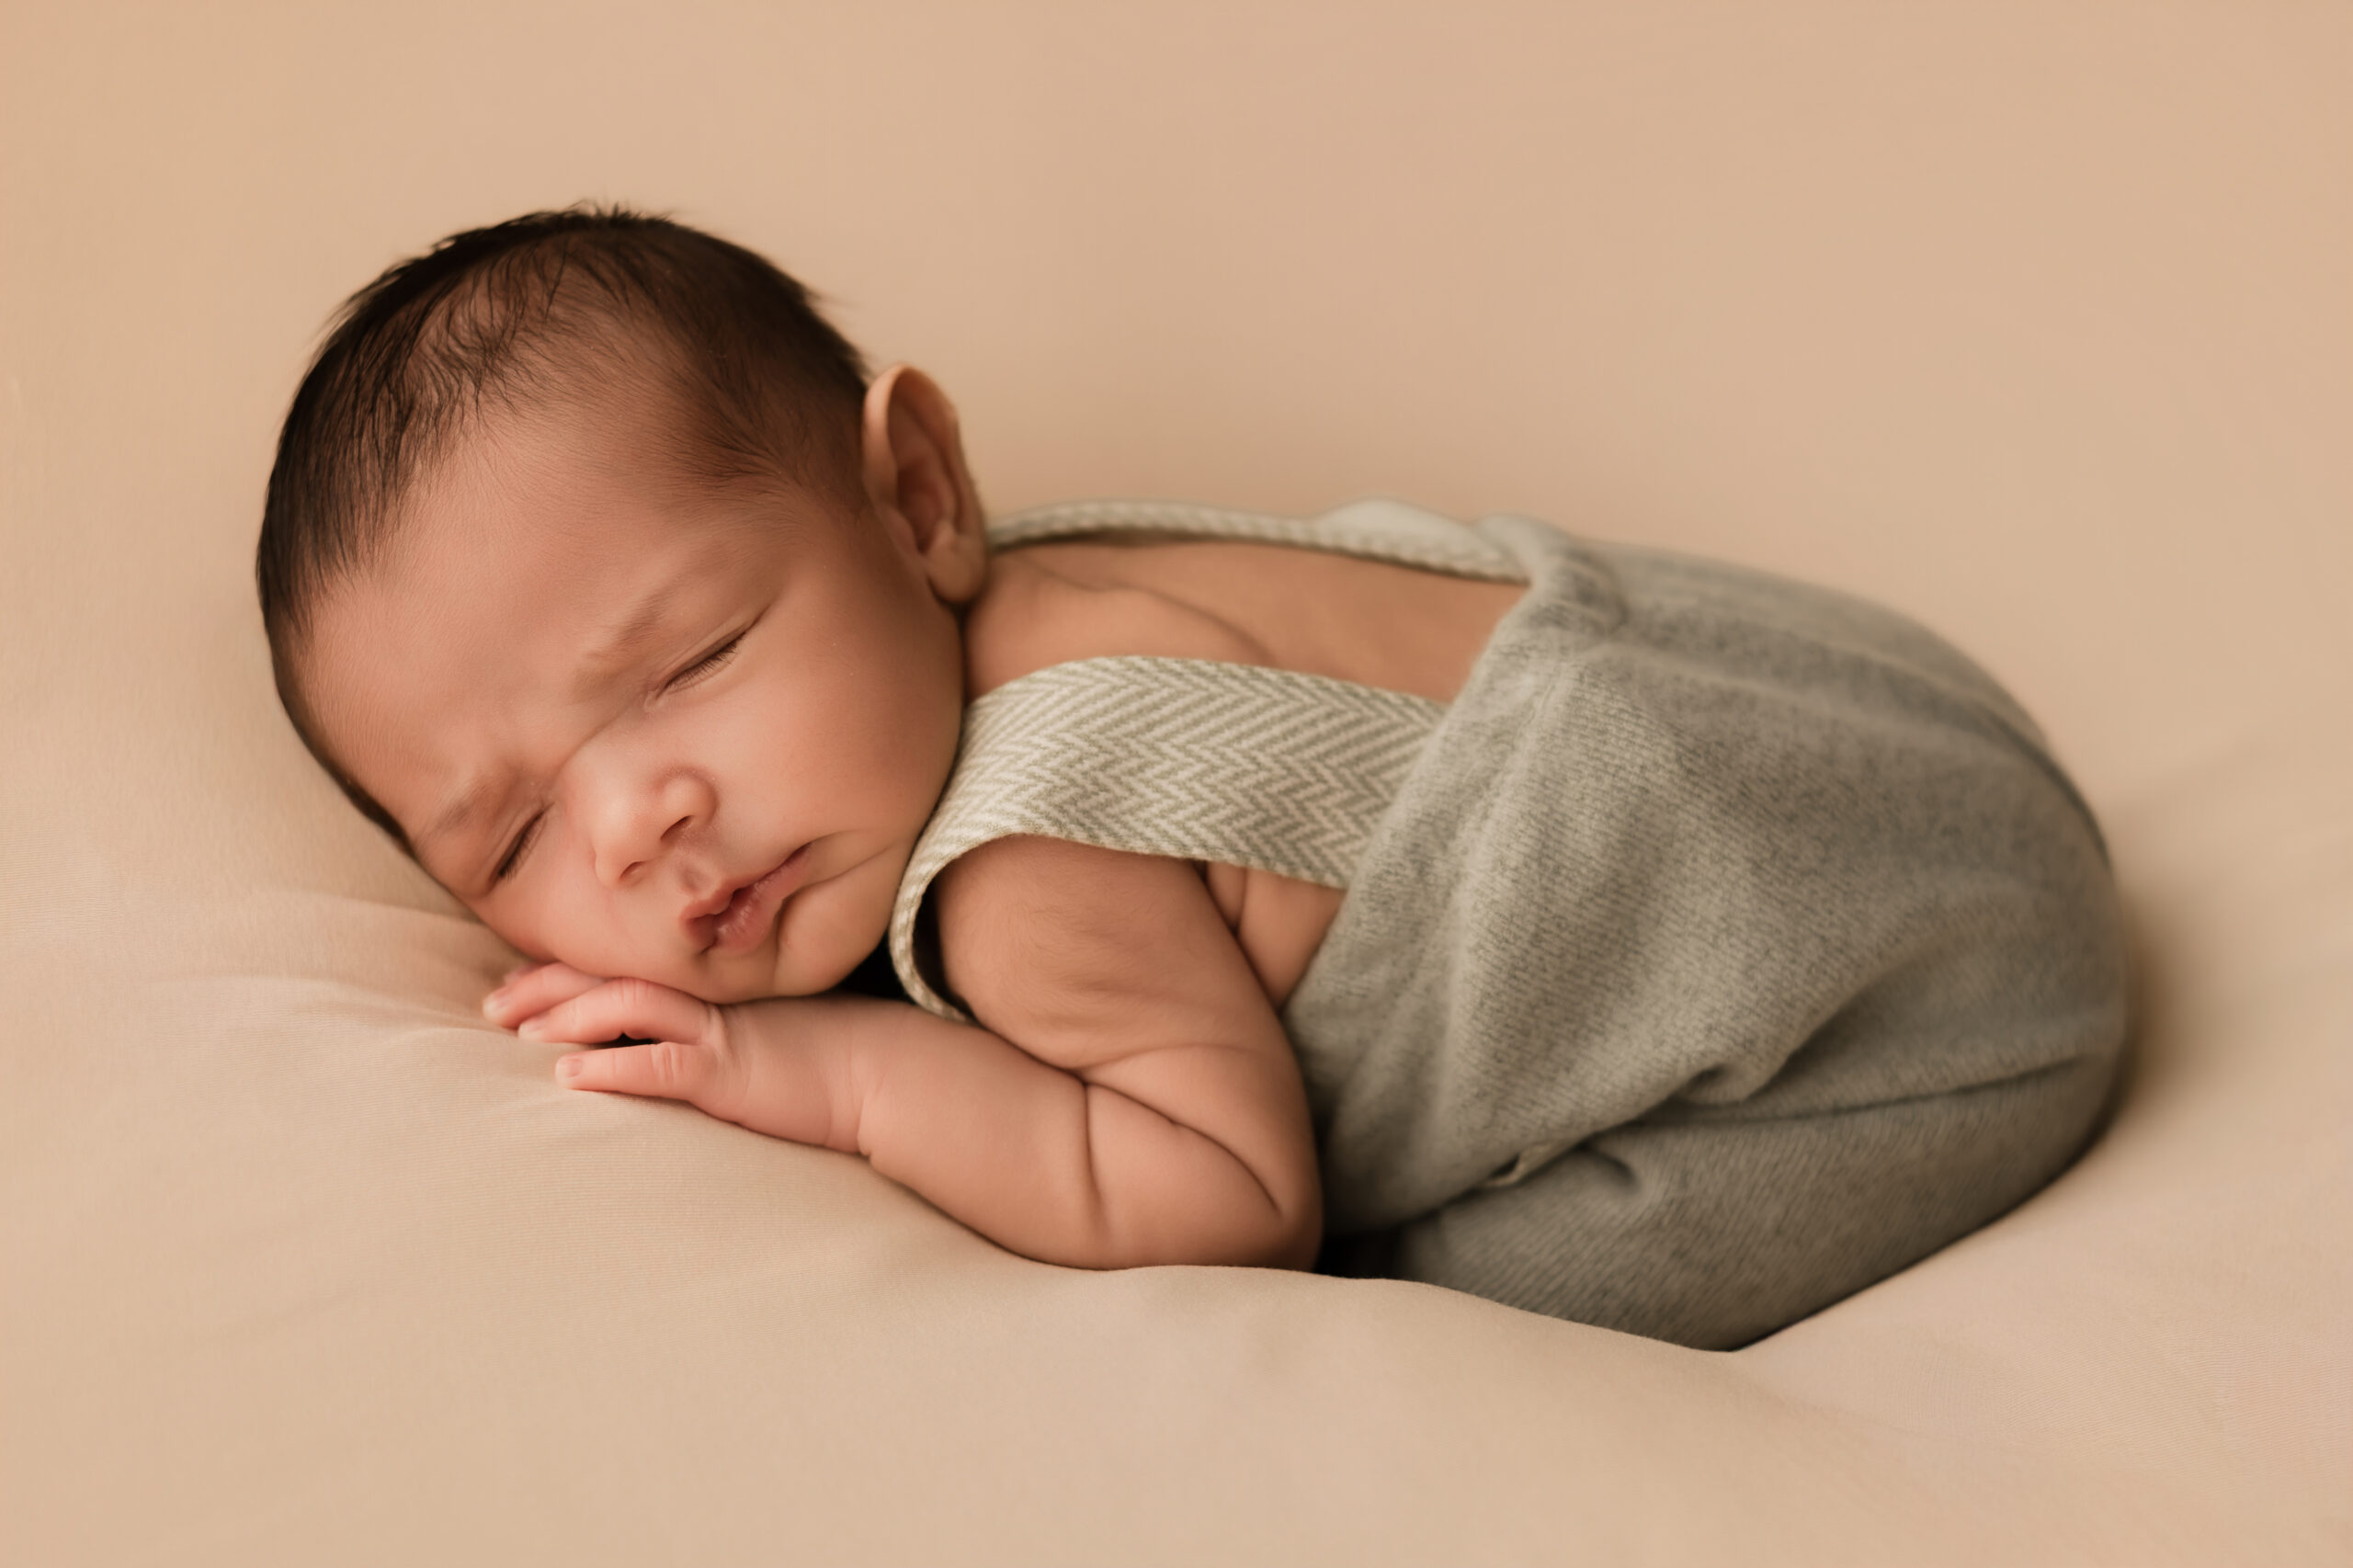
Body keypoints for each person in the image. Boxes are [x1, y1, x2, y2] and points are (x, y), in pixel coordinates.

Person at [256, 206, 2129, 1347]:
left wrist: (807, 1065)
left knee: (1450, 1320)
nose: (631, 824)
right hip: (1838, 705)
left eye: (685, 665)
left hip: (1916, 1014)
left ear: (917, 496)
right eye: (506, 831)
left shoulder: (1027, 865)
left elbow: (1230, 1202)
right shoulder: (1009, 589)